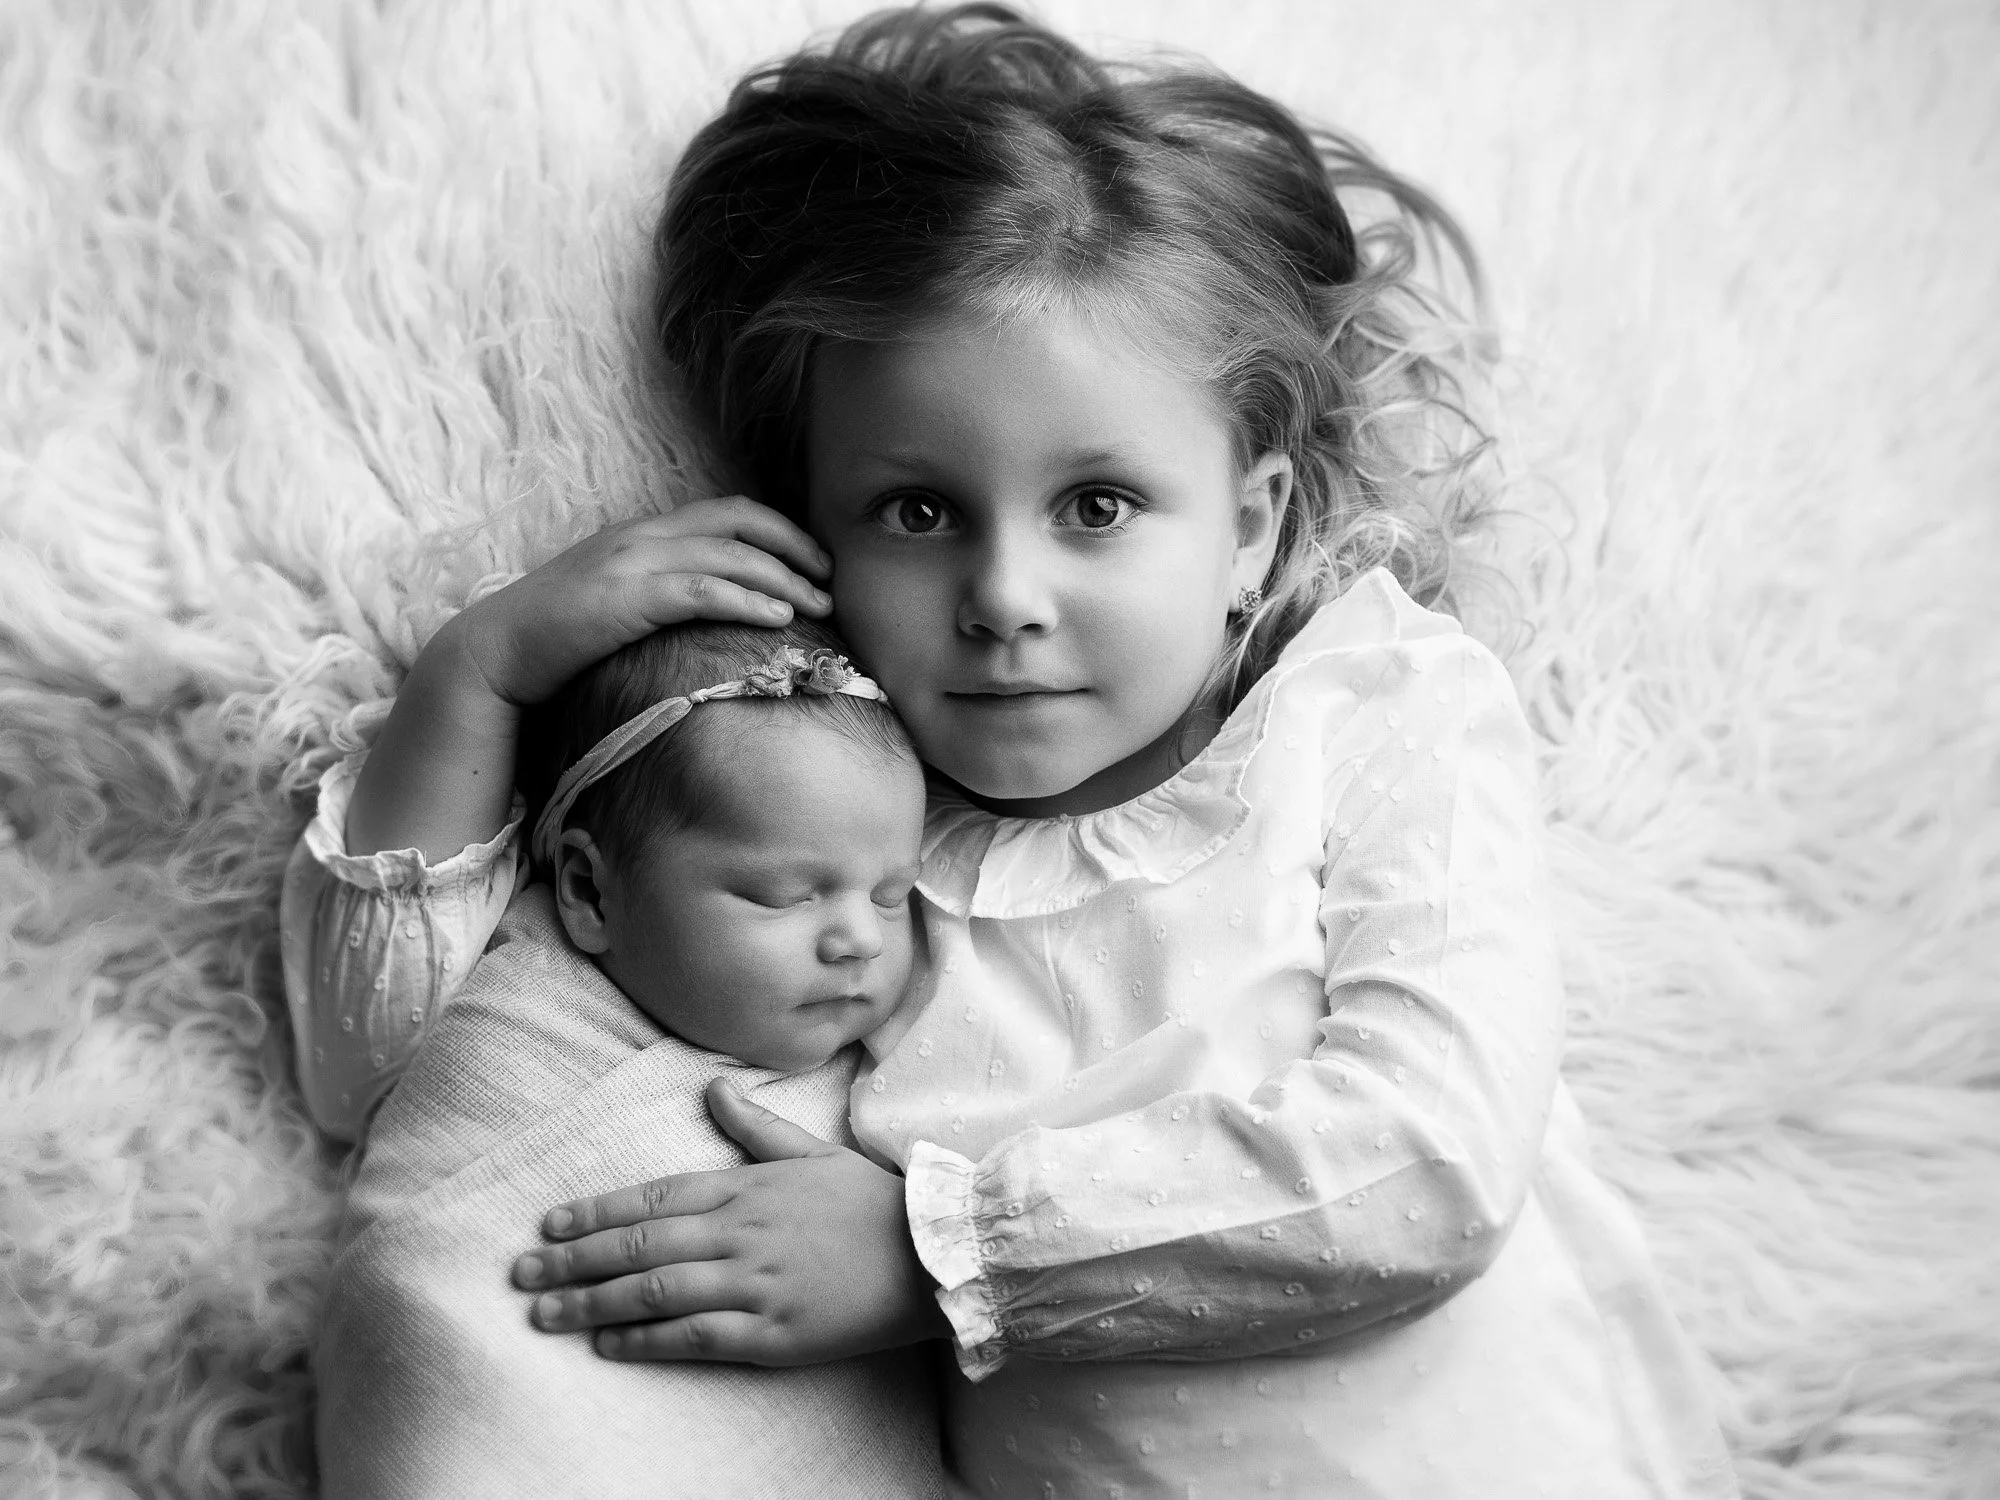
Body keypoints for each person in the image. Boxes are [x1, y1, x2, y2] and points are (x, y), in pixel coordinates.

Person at [284, 5, 1739, 1495]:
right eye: (917, 512)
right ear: (811, 532)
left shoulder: (1370, 713)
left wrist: (938, 1251)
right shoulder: (835, 801)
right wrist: (484, 672)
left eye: (1098, 506)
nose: (1001, 600)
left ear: (1247, 525)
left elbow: (1428, 1160)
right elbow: (376, 1068)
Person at [300, 620, 946, 1499]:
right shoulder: (515, 968)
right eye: (780, 895)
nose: (860, 939)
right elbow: (385, 939)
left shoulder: (908, 1064)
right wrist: (483, 668)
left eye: (894, 894)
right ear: (587, 890)